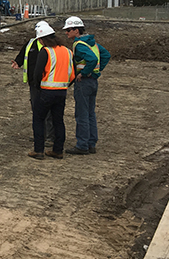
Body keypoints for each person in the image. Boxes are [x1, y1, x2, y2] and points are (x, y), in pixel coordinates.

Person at [62, 16, 111, 155]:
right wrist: (96, 71)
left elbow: (92, 59)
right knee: (90, 113)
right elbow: (105, 55)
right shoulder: (92, 43)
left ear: (76, 30)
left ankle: (82, 145)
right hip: (93, 82)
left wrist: (84, 73)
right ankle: (91, 143)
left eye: (68, 30)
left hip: (83, 83)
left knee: (81, 114)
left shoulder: (79, 45)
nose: (66, 33)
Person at [28, 22, 74, 160]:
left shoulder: (46, 51)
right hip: (62, 91)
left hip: (46, 91)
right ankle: (58, 150)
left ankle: (39, 150)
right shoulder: (68, 51)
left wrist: (37, 86)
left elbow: (37, 73)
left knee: (38, 119)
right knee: (58, 121)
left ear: (42, 39)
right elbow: (72, 73)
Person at [11, 21, 55, 143]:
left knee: (48, 111)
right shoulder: (31, 43)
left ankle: (50, 137)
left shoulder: (52, 47)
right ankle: (40, 134)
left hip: (47, 83)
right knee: (37, 110)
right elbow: (23, 54)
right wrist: (17, 62)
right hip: (34, 83)